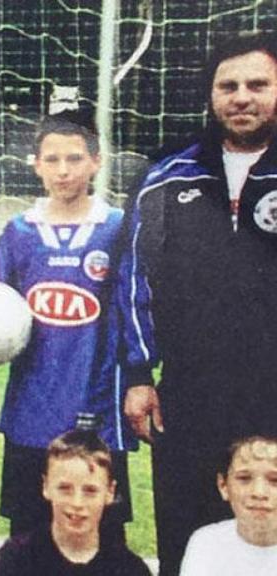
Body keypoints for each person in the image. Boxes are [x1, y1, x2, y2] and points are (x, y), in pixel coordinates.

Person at [119, 31, 277, 575]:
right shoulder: (166, 177)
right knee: (184, 537)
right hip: (188, 393)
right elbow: (133, 279)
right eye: (228, 85)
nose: (242, 97)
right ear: (210, 95)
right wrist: (139, 374)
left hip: (273, 388)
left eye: (258, 84)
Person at [0, 113, 135, 538]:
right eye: (52, 159)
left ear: (96, 162)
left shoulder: (118, 229)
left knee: (101, 536)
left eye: (74, 158)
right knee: (28, 533)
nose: (63, 170)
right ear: (36, 165)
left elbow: (134, 310)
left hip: (98, 409)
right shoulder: (18, 232)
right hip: (30, 411)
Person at [0, 430, 151, 575]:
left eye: (90, 491)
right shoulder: (15, 562)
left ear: (110, 491)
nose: (77, 503)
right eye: (65, 489)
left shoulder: (128, 569)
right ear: (46, 486)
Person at [180, 435, 277, 575]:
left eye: (275, 480)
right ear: (223, 486)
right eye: (244, 478)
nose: (259, 492)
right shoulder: (206, 544)